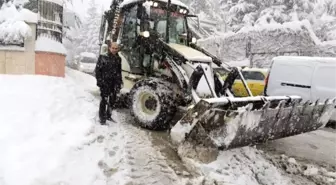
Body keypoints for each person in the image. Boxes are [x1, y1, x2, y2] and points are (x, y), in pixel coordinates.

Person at [94, 42, 123, 125]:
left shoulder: (118, 59)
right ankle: (102, 119)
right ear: (109, 48)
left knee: (112, 101)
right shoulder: (103, 56)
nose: (114, 50)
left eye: (116, 48)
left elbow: (119, 72)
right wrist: (99, 81)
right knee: (104, 100)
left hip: (114, 83)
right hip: (105, 82)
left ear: (118, 49)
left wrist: (119, 82)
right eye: (113, 48)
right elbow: (97, 70)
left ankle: (108, 115)